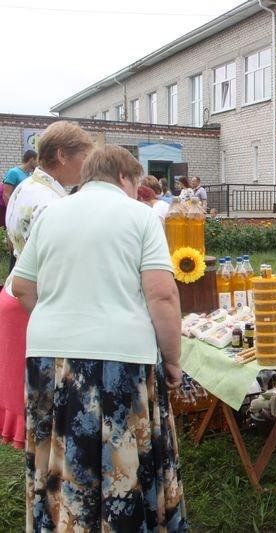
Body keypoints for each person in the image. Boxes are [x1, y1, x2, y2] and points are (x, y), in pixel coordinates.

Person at [11, 145, 187, 531]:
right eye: (136, 182)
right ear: (125, 177)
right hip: (120, 357)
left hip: (48, 358)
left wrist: (60, 317)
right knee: (120, 457)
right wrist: (173, 359)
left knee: (60, 456)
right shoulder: (140, 216)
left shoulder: (50, 214)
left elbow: (22, 287)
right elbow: (161, 293)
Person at [0, 121, 94, 451]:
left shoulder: (27, 187)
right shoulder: (50, 203)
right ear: (61, 155)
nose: (88, 162)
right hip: (34, 299)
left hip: (17, 292)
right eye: (84, 154)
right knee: (44, 402)